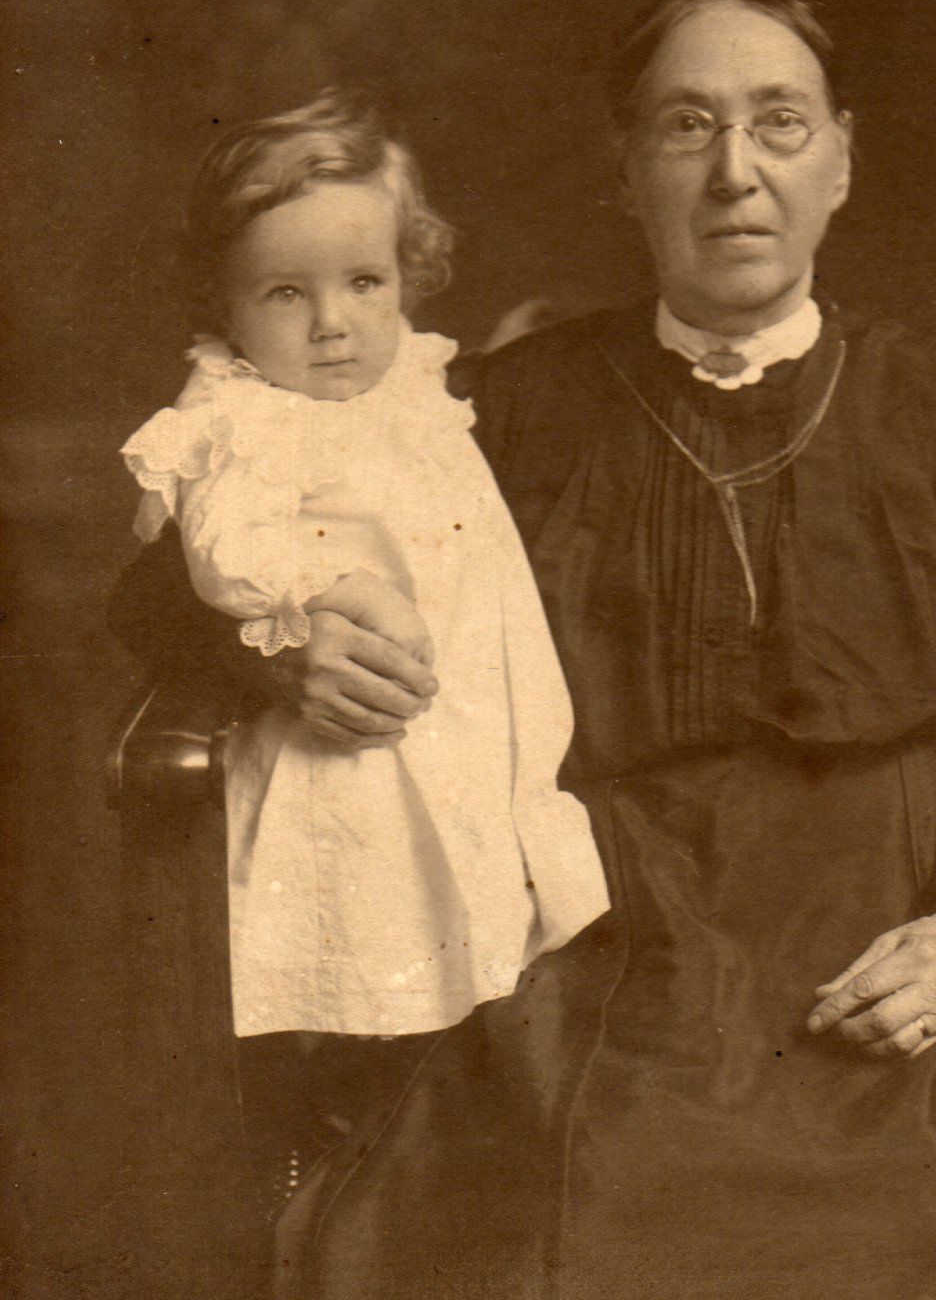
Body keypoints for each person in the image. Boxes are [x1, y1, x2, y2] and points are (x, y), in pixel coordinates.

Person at [113, 0, 936, 1300]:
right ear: (625, 172)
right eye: (687, 126)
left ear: (842, 159)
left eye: (779, 123)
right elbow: (168, 570)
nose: (736, 171)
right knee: (545, 1207)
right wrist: (276, 652)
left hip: (893, 900)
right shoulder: (498, 404)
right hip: (600, 913)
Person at [116, 92, 608, 1180]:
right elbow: (216, 551)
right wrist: (325, 595)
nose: (332, 323)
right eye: (286, 292)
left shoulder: (416, 384)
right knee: (370, 963)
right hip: (354, 752)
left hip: (477, 731)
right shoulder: (244, 414)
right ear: (225, 301)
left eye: (364, 283)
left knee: (479, 961)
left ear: (407, 274)